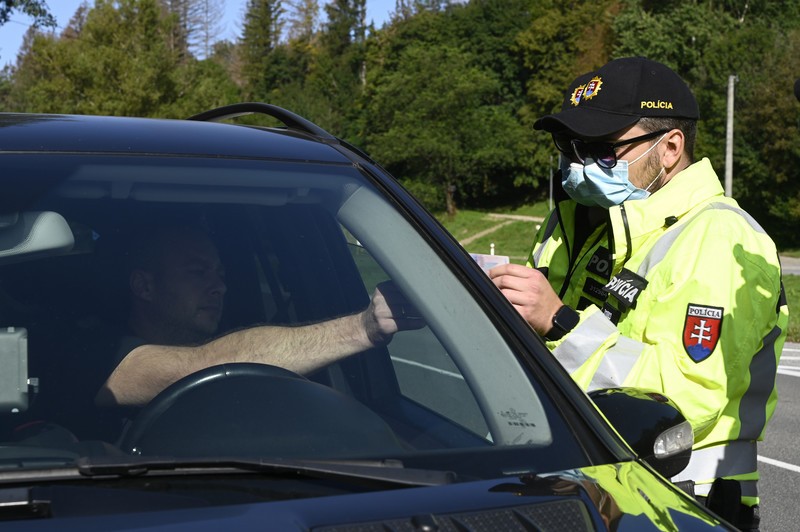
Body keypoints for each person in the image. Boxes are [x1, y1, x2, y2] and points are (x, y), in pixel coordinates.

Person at [489, 57, 788, 530]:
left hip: (685, 500)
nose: (579, 164)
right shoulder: (576, 222)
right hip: (591, 484)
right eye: (568, 146)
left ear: (670, 148)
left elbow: (690, 399)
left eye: (603, 151)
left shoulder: (718, 239)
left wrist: (562, 324)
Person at [95, 224, 420, 408]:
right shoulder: (100, 354)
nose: (219, 287)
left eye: (220, 273)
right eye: (198, 272)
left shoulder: (269, 387)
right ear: (145, 286)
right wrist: (363, 327)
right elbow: (195, 367)